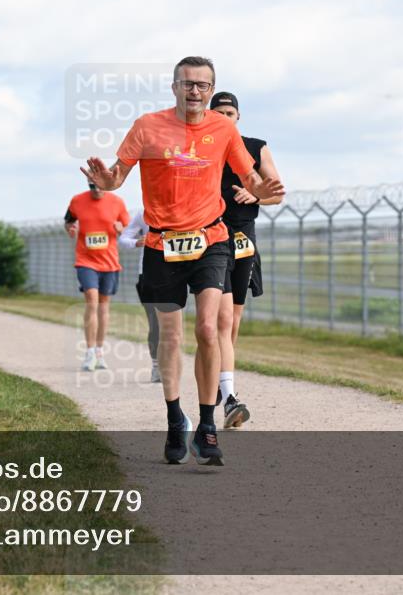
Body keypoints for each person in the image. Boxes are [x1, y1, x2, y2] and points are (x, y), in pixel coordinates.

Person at [83, 56, 284, 466]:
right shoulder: (147, 126)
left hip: (211, 239)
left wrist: (262, 190)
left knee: (209, 328)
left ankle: (207, 427)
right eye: (187, 83)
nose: (195, 91)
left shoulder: (223, 129)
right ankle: (176, 419)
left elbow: (249, 178)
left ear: (211, 90)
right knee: (171, 338)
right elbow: (118, 174)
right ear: (174, 87)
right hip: (162, 244)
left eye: (202, 85)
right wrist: (107, 181)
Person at [210, 91, 285, 428]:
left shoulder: (256, 148)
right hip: (211, 238)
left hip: (242, 238)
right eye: (219, 112)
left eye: (230, 113)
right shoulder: (204, 149)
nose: (225, 118)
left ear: (238, 116)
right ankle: (227, 391)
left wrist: (254, 195)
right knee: (221, 318)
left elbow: (276, 193)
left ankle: (222, 379)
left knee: (234, 318)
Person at [65, 183, 130, 372]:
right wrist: (70, 229)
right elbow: (68, 221)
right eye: (93, 186)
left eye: (101, 186)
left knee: (103, 306)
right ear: (89, 184)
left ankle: (100, 351)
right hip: (85, 261)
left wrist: (121, 229)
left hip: (109, 262)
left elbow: (128, 229)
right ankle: (90, 352)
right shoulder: (77, 201)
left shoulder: (117, 202)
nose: (97, 190)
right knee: (91, 302)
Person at [119, 209, 161, 383]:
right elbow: (123, 239)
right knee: (155, 323)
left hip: (175, 275)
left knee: (172, 326)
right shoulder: (143, 214)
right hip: (147, 274)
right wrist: (136, 242)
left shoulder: (179, 208)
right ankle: (157, 366)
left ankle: (170, 365)